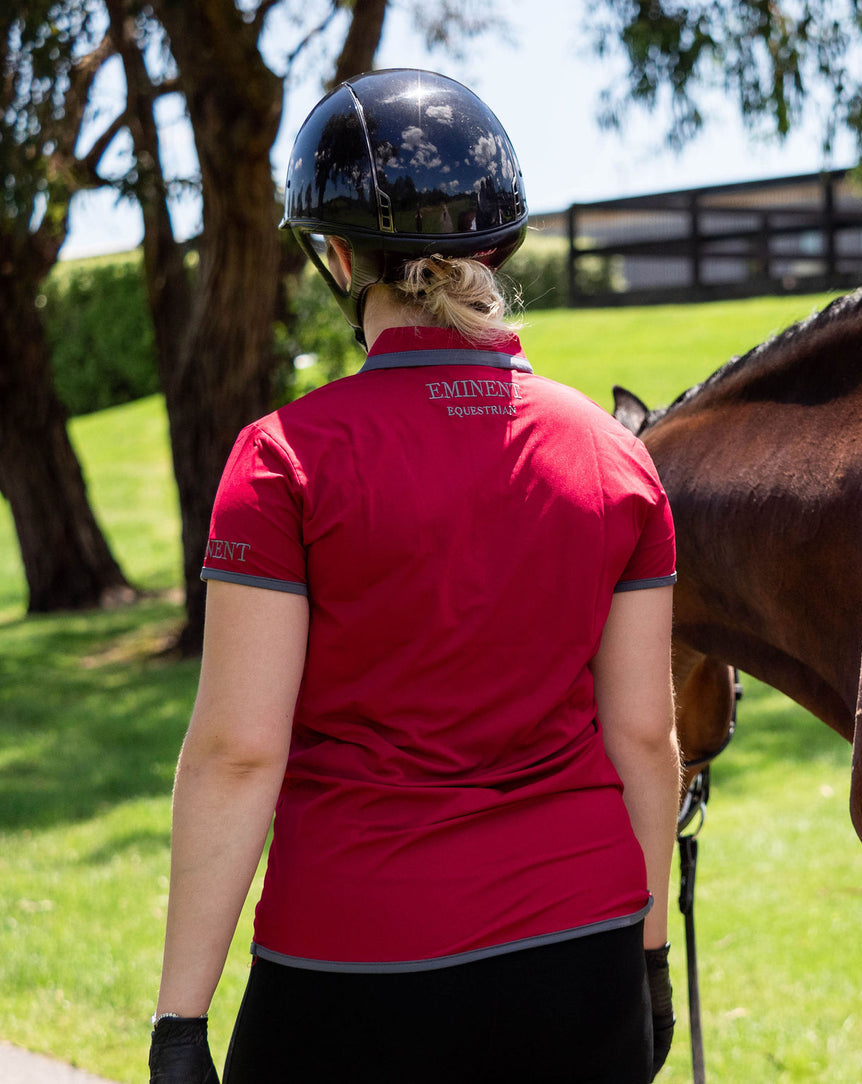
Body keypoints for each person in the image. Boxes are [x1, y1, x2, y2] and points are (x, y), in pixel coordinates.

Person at [147, 69, 680, 1083]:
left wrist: (181, 1023)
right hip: (580, 958)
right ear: (493, 247)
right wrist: (646, 954)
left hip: (353, 966)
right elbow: (646, 737)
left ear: (339, 258)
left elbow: (236, 755)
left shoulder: (283, 460)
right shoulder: (616, 458)